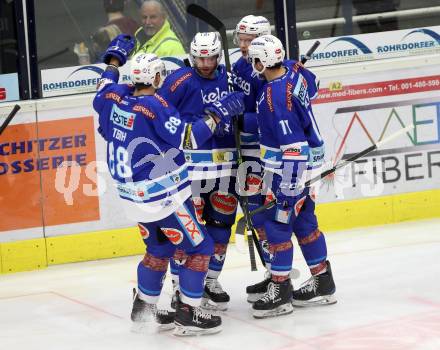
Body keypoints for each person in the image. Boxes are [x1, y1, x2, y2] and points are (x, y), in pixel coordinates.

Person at [93, 34, 245, 334]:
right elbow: (188, 138)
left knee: (158, 249)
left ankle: (144, 308)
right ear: (157, 77)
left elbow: (103, 87)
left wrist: (113, 60)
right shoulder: (155, 106)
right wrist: (217, 113)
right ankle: (188, 313)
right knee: (200, 248)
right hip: (163, 199)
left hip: (131, 200)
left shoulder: (113, 101)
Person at [245, 34, 336, 318]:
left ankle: (280, 291)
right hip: (311, 166)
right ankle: (322, 282)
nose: (252, 64)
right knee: (306, 224)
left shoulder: (275, 97)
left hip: (289, 170)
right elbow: (315, 85)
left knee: (277, 226)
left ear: (262, 61)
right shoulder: (295, 75)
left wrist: (287, 188)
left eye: (254, 60)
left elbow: (293, 146)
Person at [158, 32, 237, 311]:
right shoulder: (178, 80)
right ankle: (180, 287)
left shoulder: (229, 78)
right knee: (187, 230)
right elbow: (161, 115)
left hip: (226, 165)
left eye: (211, 57)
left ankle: (210, 280)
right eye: (200, 58)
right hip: (189, 170)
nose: (205, 63)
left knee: (222, 229)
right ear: (192, 56)